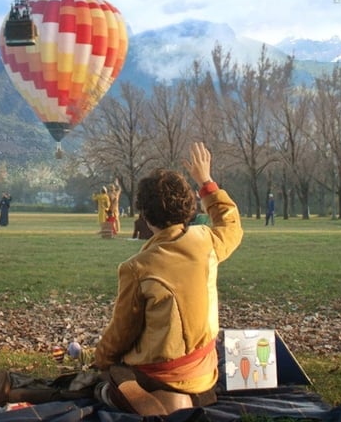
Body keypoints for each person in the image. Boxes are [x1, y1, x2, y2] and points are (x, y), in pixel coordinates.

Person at [92, 142, 243, 415]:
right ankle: (190, 397)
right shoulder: (207, 241)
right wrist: (206, 182)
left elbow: (121, 334)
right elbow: (229, 223)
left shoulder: (137, 267)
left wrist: (101, 359)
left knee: (113, 374)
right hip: (204, 370)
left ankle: (150, 400)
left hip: (159, 374)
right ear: (188, 206)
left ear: (145, 215)